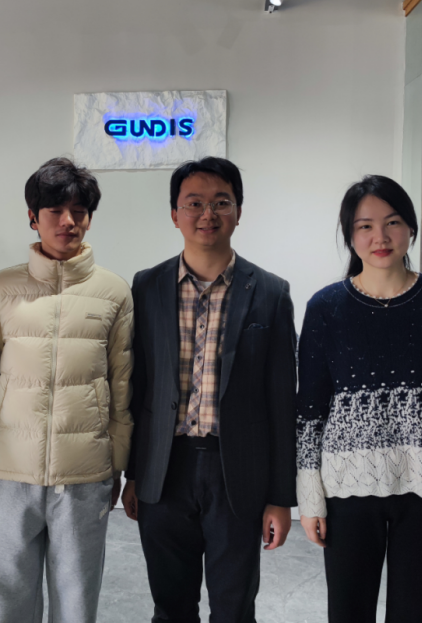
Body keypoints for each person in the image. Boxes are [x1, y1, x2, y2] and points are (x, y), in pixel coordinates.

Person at [296, 175, 422, 623]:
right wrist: (309, 493)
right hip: (346, 491)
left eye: (392, 222)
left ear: (412, 229)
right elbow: (309, 411)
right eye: (364, 226)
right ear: (350, 235)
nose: (379, 237)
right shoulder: (326, 307)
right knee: (348, 613)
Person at [122, 157, 297, 622]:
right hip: (164, 469)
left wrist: (281, 496)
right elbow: (139, 386)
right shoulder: (146, 286)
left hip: (236, 472)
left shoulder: (271, 293)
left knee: (234, 608)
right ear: (174, 214)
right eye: (194, 203)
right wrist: (133, 474)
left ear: (238, 212)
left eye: (221, 202)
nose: (207, 214)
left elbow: (283, 402)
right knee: (170, 606)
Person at [0, 157, 133, 623]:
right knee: (8, 600)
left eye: (79, 211)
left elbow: (121, 387)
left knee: (77, 604)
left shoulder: (114, 292)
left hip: (84, 475)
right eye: (55, 210)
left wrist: (117, 466)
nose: (68, 221)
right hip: (8, 471)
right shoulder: (1, 288)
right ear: (33, 217)